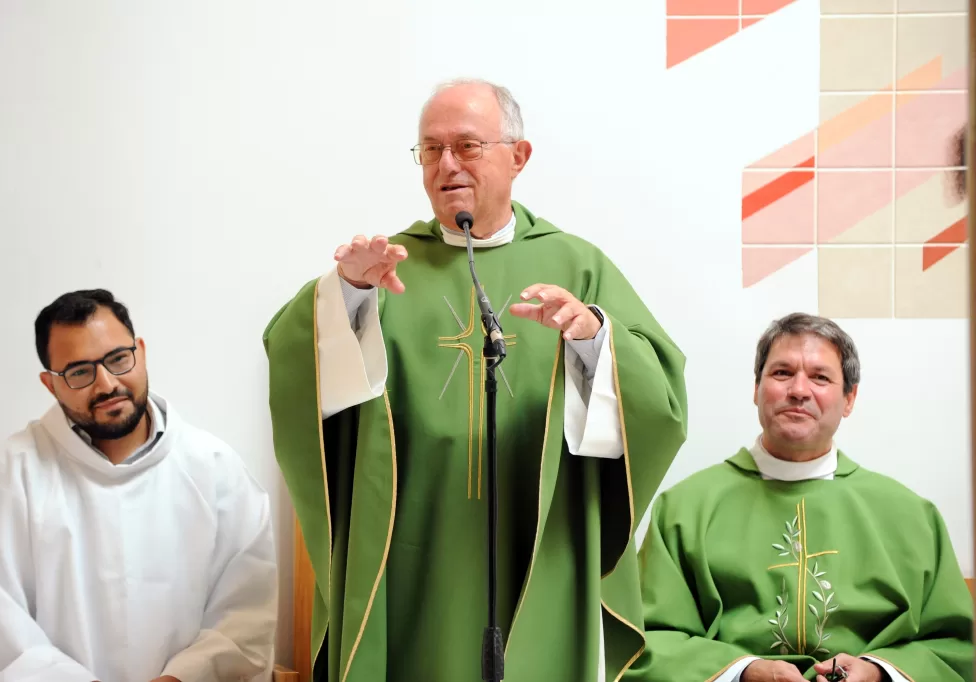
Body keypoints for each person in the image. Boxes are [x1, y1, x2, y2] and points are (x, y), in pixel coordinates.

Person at [262, 78, 689, 682]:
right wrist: (349, 298)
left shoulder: (577, 264)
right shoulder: (387, 264)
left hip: (540, 543)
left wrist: (596, 337)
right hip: (410, 544)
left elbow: (661, 401)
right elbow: (295, 366)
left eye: (467, 146)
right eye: (430, 150)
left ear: (518, 156)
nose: (447, 165)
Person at [0, 289, 279, 682]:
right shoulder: (9, 478)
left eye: (118, 359)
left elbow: (246, 617)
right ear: (50, 383)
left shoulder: (215, 471)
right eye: (78, 372)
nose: (107, 384)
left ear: (140, 351)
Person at [631, 313, 974, 682]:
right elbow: (649, 640)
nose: (798, 390)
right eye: (781, 373)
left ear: (849, 399)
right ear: (756, 389)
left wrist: (879, 673)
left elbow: (955, 648)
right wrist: (745, 672)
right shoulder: (684, 509)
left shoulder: (911, 516)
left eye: (820, 377)